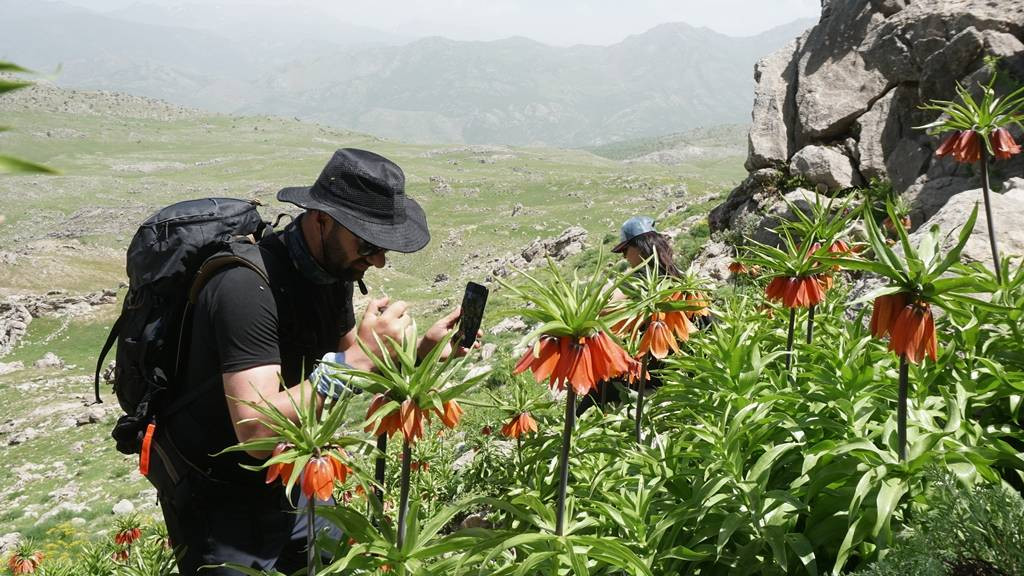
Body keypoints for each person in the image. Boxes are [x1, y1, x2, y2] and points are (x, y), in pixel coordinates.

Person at [152, 149, 464, 575]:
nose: (378, 260)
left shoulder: (331, 274)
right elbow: (256, 429)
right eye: (368, 243)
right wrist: (359, 358)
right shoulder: (244, 289)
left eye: (384, 248)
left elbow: (350, 363)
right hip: (221, 496)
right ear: (322, 220)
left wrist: (424, 352)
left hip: (296, 472)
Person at [580, 216, 682, 414]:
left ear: (640, 247)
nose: (624, 256)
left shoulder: (635, 282)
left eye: (625, 250)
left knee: (585, 409)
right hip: (675, 372)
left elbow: (600, 310)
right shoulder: (680, 277)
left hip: (642, 375)